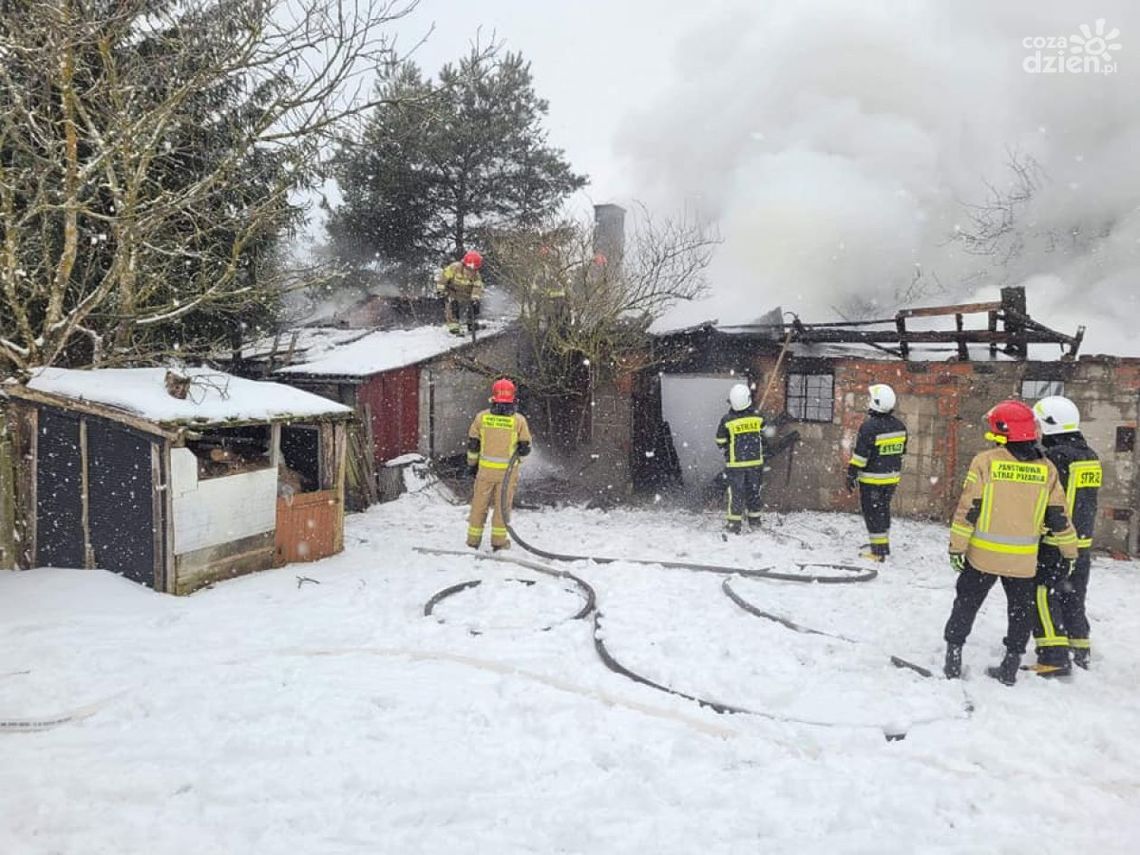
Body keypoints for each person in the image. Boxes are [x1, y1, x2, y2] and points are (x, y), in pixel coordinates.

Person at [942, 400, 1079, 685]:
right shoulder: (1047, 469)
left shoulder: (985, 462)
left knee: (966, 604)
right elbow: (1059, 517)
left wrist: (957, 547)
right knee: (1021, 612)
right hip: (1023, 561)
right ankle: (1010, 666)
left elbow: (969, 509)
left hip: (982, 557)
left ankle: (953, 657)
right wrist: (1070, 552)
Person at [1032, 395, 1102, 673]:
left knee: (1042, 593)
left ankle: (1053, 656)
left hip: (1057, 540)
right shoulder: (1089, 455)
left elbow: (1051, 501)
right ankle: (1079, 645)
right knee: (1073, 595)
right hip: (1082, 541)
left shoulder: (1055, 458)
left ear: (1050, 424)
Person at [465, 377, 532, 551]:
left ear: (493, 397)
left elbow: (473, 445)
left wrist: (472, 465)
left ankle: (473, 541)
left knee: (479, 506)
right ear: (513, 398)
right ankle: (499, 542)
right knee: (502, 508)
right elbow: (524, 449)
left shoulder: (482, 418)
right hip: (507, 475)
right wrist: (517, 463)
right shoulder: (519, 421)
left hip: (485, 472)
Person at [845, 384, 908, 561]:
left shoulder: (869, 427)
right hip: (891, 479)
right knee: (883, 510)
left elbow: (860, 457)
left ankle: (878, 552)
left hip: (872, 480)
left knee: (873, 514)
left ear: (876, 403)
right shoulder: (900, 426)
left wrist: (851, 474)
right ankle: (882, 543)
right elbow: (901, 452)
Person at [715, 382, 765, 534]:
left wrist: (730, 444)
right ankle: (755, 521)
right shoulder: (758, 417)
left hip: (736, 464)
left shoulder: (727, 420)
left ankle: (734, 525)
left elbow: (720, 441)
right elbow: (763, 433)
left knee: (736, 494)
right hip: (756, 463)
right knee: (754, 492)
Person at [436, 250, 485, 336]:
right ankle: (454, 327)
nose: (470, 272)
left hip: (467, 293)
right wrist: (440, 291)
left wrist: (475, 299)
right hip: (452, 292)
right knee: (452, 305)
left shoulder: (477, 276)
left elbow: (477, 287)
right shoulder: (453, 268)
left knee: (475, 306)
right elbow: (442, 278)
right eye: (468, 269)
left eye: (473, 270)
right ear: (464, 264)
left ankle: (472, 323)